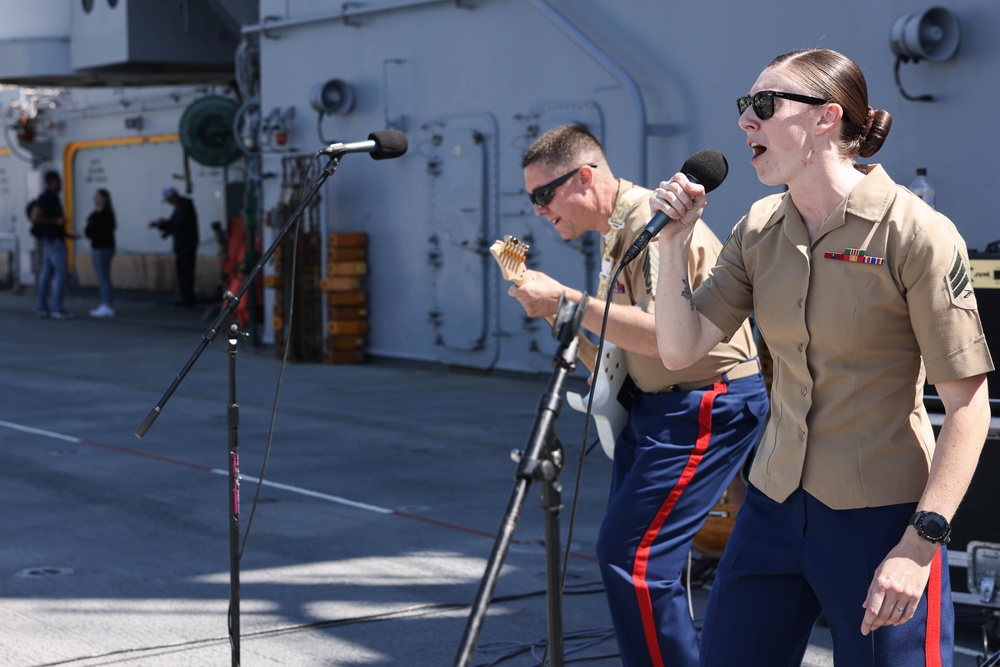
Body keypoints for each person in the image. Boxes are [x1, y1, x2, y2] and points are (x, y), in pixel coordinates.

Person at [649, 48, 994, 666]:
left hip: (882, 522)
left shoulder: (915, 233)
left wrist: (920, 547)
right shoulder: (757, 229)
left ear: (827, 118)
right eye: (744, 107)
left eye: (763, 105)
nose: (745, 122)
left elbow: (967, 407)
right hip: (772, 506)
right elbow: (680, 349)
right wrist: (672, 243)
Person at [509, 124, 769, 667]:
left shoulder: (651, 222)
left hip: (703, 401)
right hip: (663, 406)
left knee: (634, 557)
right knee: (636, 556)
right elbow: (620, 357)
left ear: (584, 178)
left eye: (543, 195)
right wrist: (560, 310)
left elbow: (664, 338)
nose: (537, 210)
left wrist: (568, 300)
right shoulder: (620, 232)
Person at [30, 170, 73, 319]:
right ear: (53, 182)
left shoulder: (51, 197)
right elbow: (35, 217)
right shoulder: (48, 197)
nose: (60, 183)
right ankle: (57, 308)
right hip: (53, 240)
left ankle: (42, 307)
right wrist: (55, 221)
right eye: (59, 181)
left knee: (46, 273)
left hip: (50, 240)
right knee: (61, 272)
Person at [150, 186, 199, 308]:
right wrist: (163, 227)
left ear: (174, 196)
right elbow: (174, 224)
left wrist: (164, 225)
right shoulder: (180, 207)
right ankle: (185, 298)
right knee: (182, 272)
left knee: (186, 272)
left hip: (186, 244)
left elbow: (178, 223)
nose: (169, 203)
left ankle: (188, 299)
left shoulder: (185, 206)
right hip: (182, 244)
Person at [85, 188, 116, 318]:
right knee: (101, 275)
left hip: (103, 247)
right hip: (97, 246)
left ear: (104, 199)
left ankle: (107, 304)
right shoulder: (95, 214)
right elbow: (89, 230)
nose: (95, 200)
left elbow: (99, 228)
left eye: (97, 197)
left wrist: (92, 227)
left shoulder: (106, 214)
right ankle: (105, 302)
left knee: (103, 276)